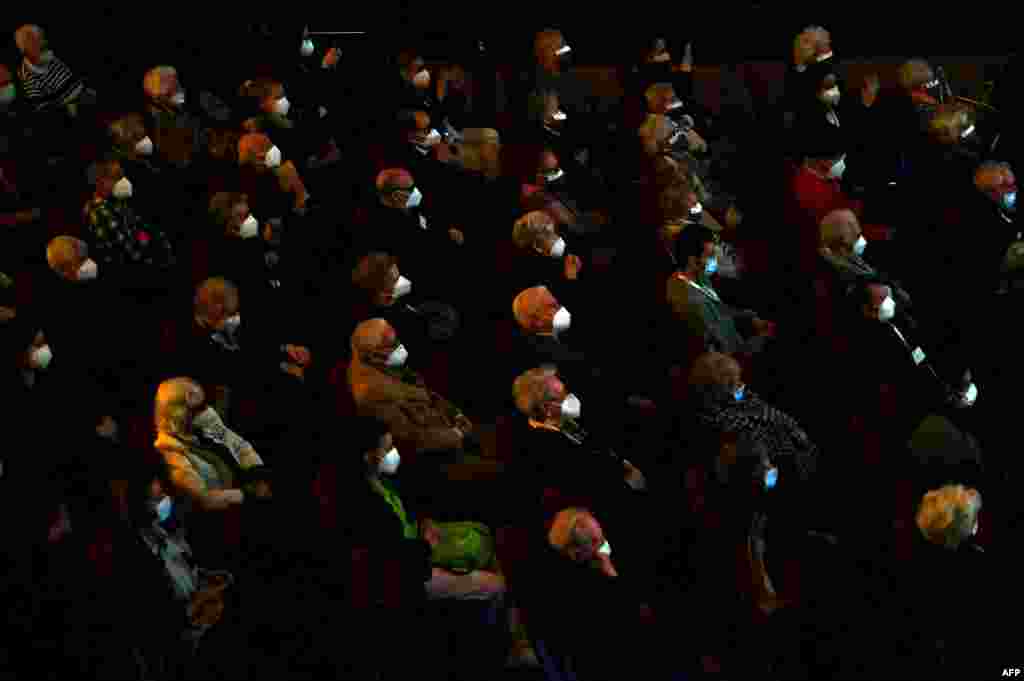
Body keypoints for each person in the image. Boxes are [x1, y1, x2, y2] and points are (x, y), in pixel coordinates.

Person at [348, 416, 536, 675]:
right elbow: (390, 560)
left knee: (483, 536)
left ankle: (519, 636)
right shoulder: (361, 503)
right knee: (497, 586)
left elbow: (407, 512)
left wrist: (424, 524)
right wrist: (425, 545)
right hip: (410, 574)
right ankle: (500, 651)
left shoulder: (382, 479)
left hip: (418, 544)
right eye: (387, 449)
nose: (394, 454)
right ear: (368, 456)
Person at [117, 461, 238, 679]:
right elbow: (159, 617)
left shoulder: (170, 535)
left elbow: (188, 568)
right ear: (138, 503)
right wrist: (201, 601)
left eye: (161, 493)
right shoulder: (135, 553)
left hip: (198, 628)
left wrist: (208, 577)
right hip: (178, 645)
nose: (163, 500)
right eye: (154, 498)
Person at [518, 507, 663, 680]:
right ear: (575, 553)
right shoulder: (578, 590)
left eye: (602, 537)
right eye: (596, 542)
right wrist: (609, 569)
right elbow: (632, 615)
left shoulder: (596, 560)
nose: (604, 545)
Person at [184, 277, 314, 440]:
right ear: (216, 309)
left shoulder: (231, 329)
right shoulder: (199, 343)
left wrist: (286, 349)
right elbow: (239, 371)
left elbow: (255, 349)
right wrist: (281, 366)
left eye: (235, 313)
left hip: (250, 402)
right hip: (233, 415)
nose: (236, 318)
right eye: (230, 314)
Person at [347, 318, 475, 457]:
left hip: (449, 434)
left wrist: (455, 414)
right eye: (391, 344)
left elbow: (428, 394)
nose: (399, 347)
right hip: (434, 457)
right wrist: (456, 434)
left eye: (396, 339)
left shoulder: (388, 366)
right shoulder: (373, 393)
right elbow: (410, 439)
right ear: (373, 355)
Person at [666, 225, 776, 357]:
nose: (715, 260)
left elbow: (719, 311)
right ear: (692, 259)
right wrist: (757, 338)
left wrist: (748, 317)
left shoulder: (698, 275)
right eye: (710, 255)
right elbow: (718, 346)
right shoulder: (689, 300)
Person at [82, 158, 177, 287]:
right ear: (100, 182)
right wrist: (148, 239)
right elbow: (132, 252)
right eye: (117, 177)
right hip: (134, 280)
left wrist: (144, 237)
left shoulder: (117, 202)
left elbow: (144, 230)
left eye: (122, 175)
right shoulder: (100, 212)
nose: (123, 181)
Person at [13, 25, 86, 118]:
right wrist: (69, 107)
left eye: (42, 39)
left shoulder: (50, 56)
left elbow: (76, 77)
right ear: (25, 50)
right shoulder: (27, 75)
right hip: (68, 113)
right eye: (37, 42)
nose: (44, 43)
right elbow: (43, 109)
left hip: (83, 96)